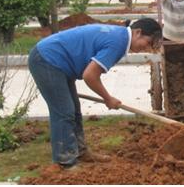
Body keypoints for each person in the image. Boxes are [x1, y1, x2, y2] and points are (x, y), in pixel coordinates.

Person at [28, 18, 162, 169]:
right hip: (47, 60)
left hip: (57, 61)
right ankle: (65, 162)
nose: (148, 48)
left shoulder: (120, 37)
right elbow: (90, 75)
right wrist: (108, 98)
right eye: (149, 42)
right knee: (64, 112)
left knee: (73, 111)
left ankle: (80, 152)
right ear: (138, 33)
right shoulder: (118, 42)